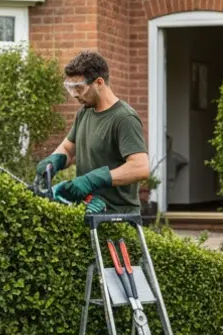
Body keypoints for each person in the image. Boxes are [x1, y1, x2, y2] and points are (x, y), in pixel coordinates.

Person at [36, 51, 150, 215]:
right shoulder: (84, 113)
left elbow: (140, 167)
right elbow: (67, 149)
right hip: (89, 210)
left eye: (79, 88)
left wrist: (92, 180)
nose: (75, 95)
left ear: (98, 83)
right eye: (70, 88)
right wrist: (53, 162)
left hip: (118, 217)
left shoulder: (124, 118)